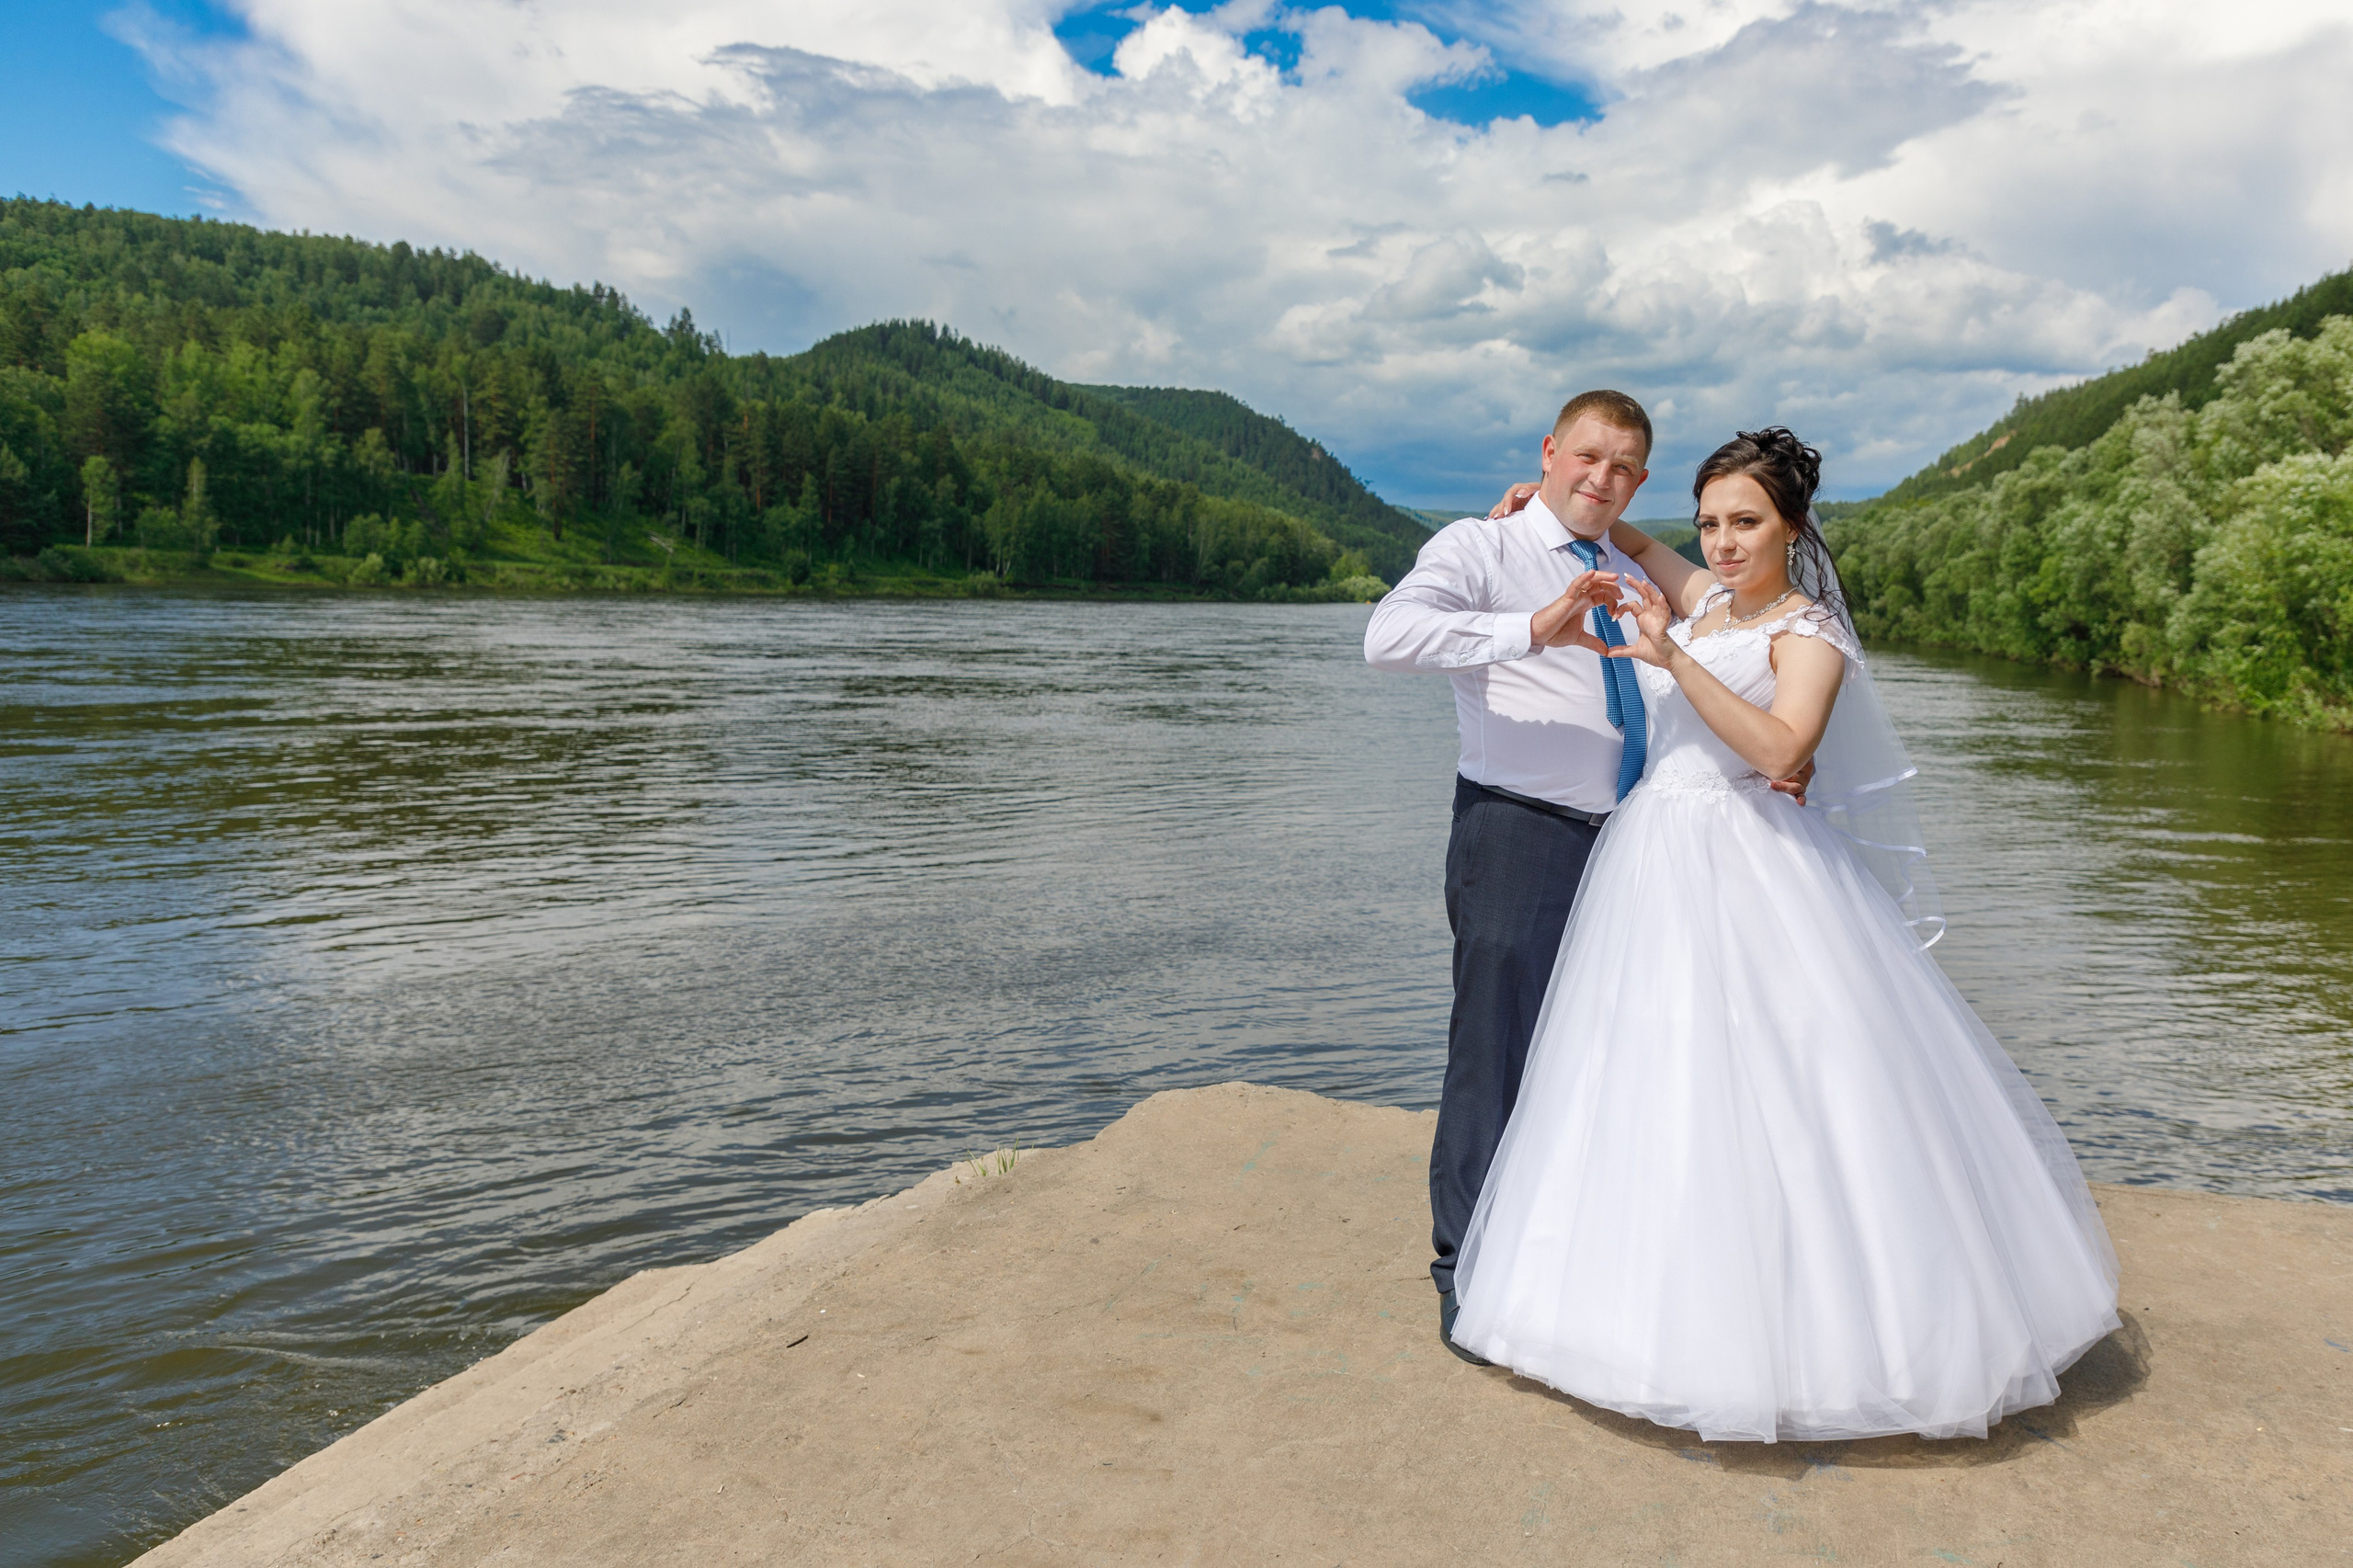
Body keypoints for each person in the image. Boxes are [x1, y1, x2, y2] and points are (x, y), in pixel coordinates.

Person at [1450, 428, 2120, 1441]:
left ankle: (1805, 1340)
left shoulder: (1807, 633)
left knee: (1790, 1080)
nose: (1720, 543)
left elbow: (1780, 745)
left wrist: (1672, 655)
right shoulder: (1710, 597)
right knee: (1644, 1075)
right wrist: (1561, 503)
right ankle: (1614, 1312)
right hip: (1651, 859)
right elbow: (1637, 541)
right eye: (1710, 521)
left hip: (1751, 858)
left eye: (1745, 522)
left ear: (1791, 528)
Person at [1362, 391, 1801, 1359]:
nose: (1600, 478)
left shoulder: (1615, 560)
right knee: (1499, 1048)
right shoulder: (1482, 548)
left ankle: (1561, 1258)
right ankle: (1463, 1269)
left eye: (1624, 467)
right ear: (1550, 451)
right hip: (1519, 829)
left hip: (1632, 843)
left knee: (1599, 1057)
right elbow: (1387, 638)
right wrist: (1530, 626)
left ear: (1638, 482)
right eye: (1587, 457)